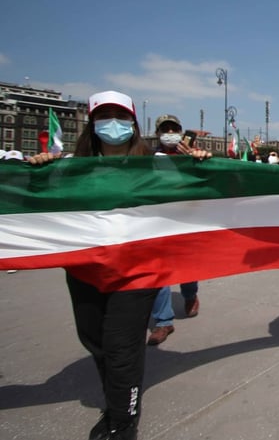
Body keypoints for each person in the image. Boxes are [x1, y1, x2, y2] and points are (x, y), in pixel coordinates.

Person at [27, 91, 158, 440]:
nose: (113, 124)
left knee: (120, 345)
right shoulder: (68, 166)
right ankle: (115, 407)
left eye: (120, 116)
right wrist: (39, 171)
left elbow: (201, 192)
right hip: (86, 268)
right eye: (104, 116)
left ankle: (124, 423)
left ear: (133, 123)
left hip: (137, 270)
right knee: (95, 340)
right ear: (92, 123)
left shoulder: (155, 165)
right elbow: (38, 199)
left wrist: (202, 161)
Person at [147, 114, 210, 345]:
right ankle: (163, 321)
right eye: (166, 129)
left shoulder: (190, 155)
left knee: (187, 265)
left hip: (186, 218)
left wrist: (198, 159)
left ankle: (190, 294)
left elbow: (206, 177)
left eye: (174, 129)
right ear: (158, 133)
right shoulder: (147, 158)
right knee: (159, 270)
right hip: (157, 220)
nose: (170, 132)